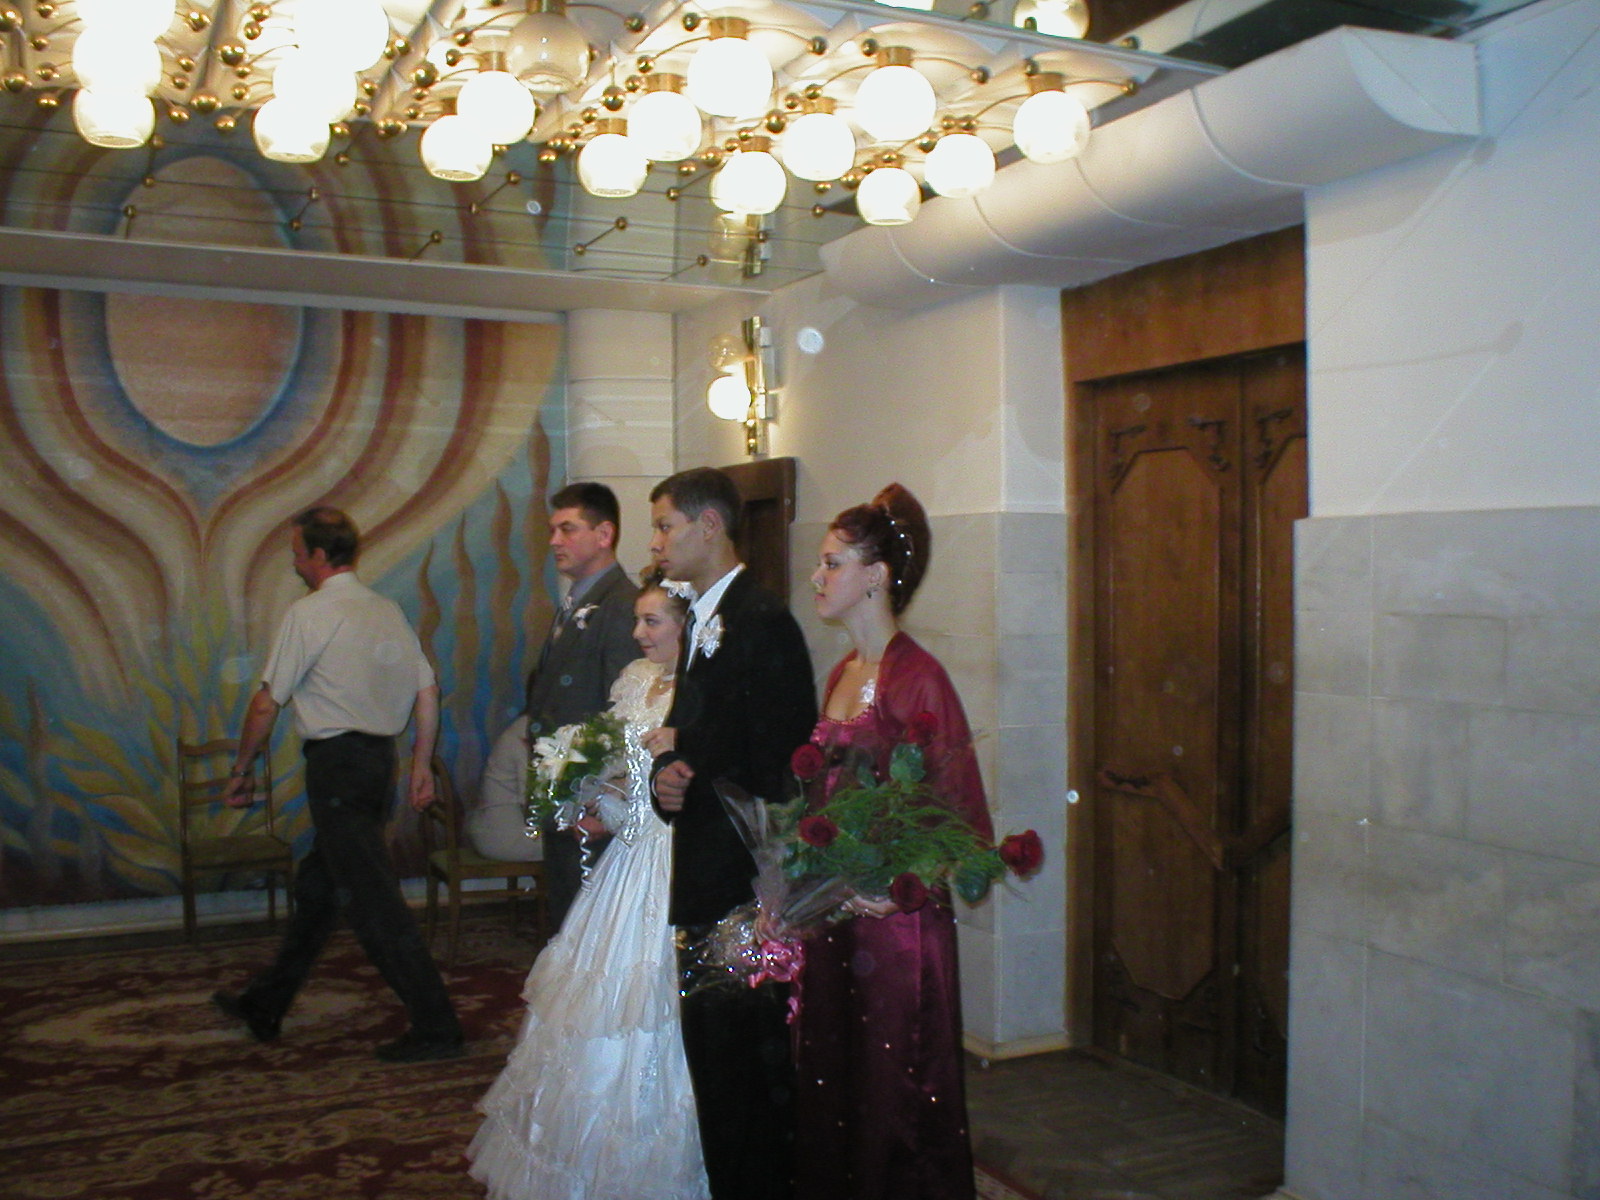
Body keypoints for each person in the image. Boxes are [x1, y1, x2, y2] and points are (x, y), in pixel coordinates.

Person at [467, 575, 708, 1200]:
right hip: (629, 857)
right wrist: (587, 791)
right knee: (590, 1001)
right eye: (638, 620)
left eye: (652, 622)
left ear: (685, 625)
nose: (638, 633)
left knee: (656, 1004)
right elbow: (624, 774)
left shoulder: (705, 689)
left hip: (679, 855)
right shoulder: (634, 679)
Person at [793, 483, 993, 1200]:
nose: (817, 577)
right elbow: (822, 802)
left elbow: (960, 816)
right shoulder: (842, 673)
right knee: (835, 1075)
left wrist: (900, 884)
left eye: (832, 563)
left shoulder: (921, 678)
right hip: (837, 915)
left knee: (894, 1090)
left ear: (875, 575)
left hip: (895, 926)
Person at [211, 506, 464, 1063]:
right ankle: (266, 1004)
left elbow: (265, 703)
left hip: (337, 770)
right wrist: (420, 765)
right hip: (376, 767)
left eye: (298, 552)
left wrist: (242, 769)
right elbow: (427, 690)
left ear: (320, 556)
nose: (295, 562)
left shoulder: (309, 614)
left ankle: (437, 1026)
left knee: (374, 904)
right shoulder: (385, 610)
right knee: (319, 890)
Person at [649, 467, 817, 1200]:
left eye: (665, 525)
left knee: (747, 1065)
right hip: (703, 869)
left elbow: (784, 763)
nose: (656, 542)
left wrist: (768, 896)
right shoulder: (702, 619)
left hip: (743, 888)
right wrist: (668, 779)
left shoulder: (762, 620)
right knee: (714, 1062)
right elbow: (691, 738)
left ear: (709, 525)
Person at [526, 482, 640, 933]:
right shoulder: (581, 600)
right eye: (553, 530)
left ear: (604, 534)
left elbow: (624, 711)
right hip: (564, 788)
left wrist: (603, 801)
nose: (555, 540)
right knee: (566, 918)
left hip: (590, 798)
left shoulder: (622, 606)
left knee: (586, 926)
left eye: (568, 529)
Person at [465, 716, 542, 862]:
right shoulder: (530, 731)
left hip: (500, 828)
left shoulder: (530, 725)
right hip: (507, 835)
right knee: (578, 845)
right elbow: (534, 800)